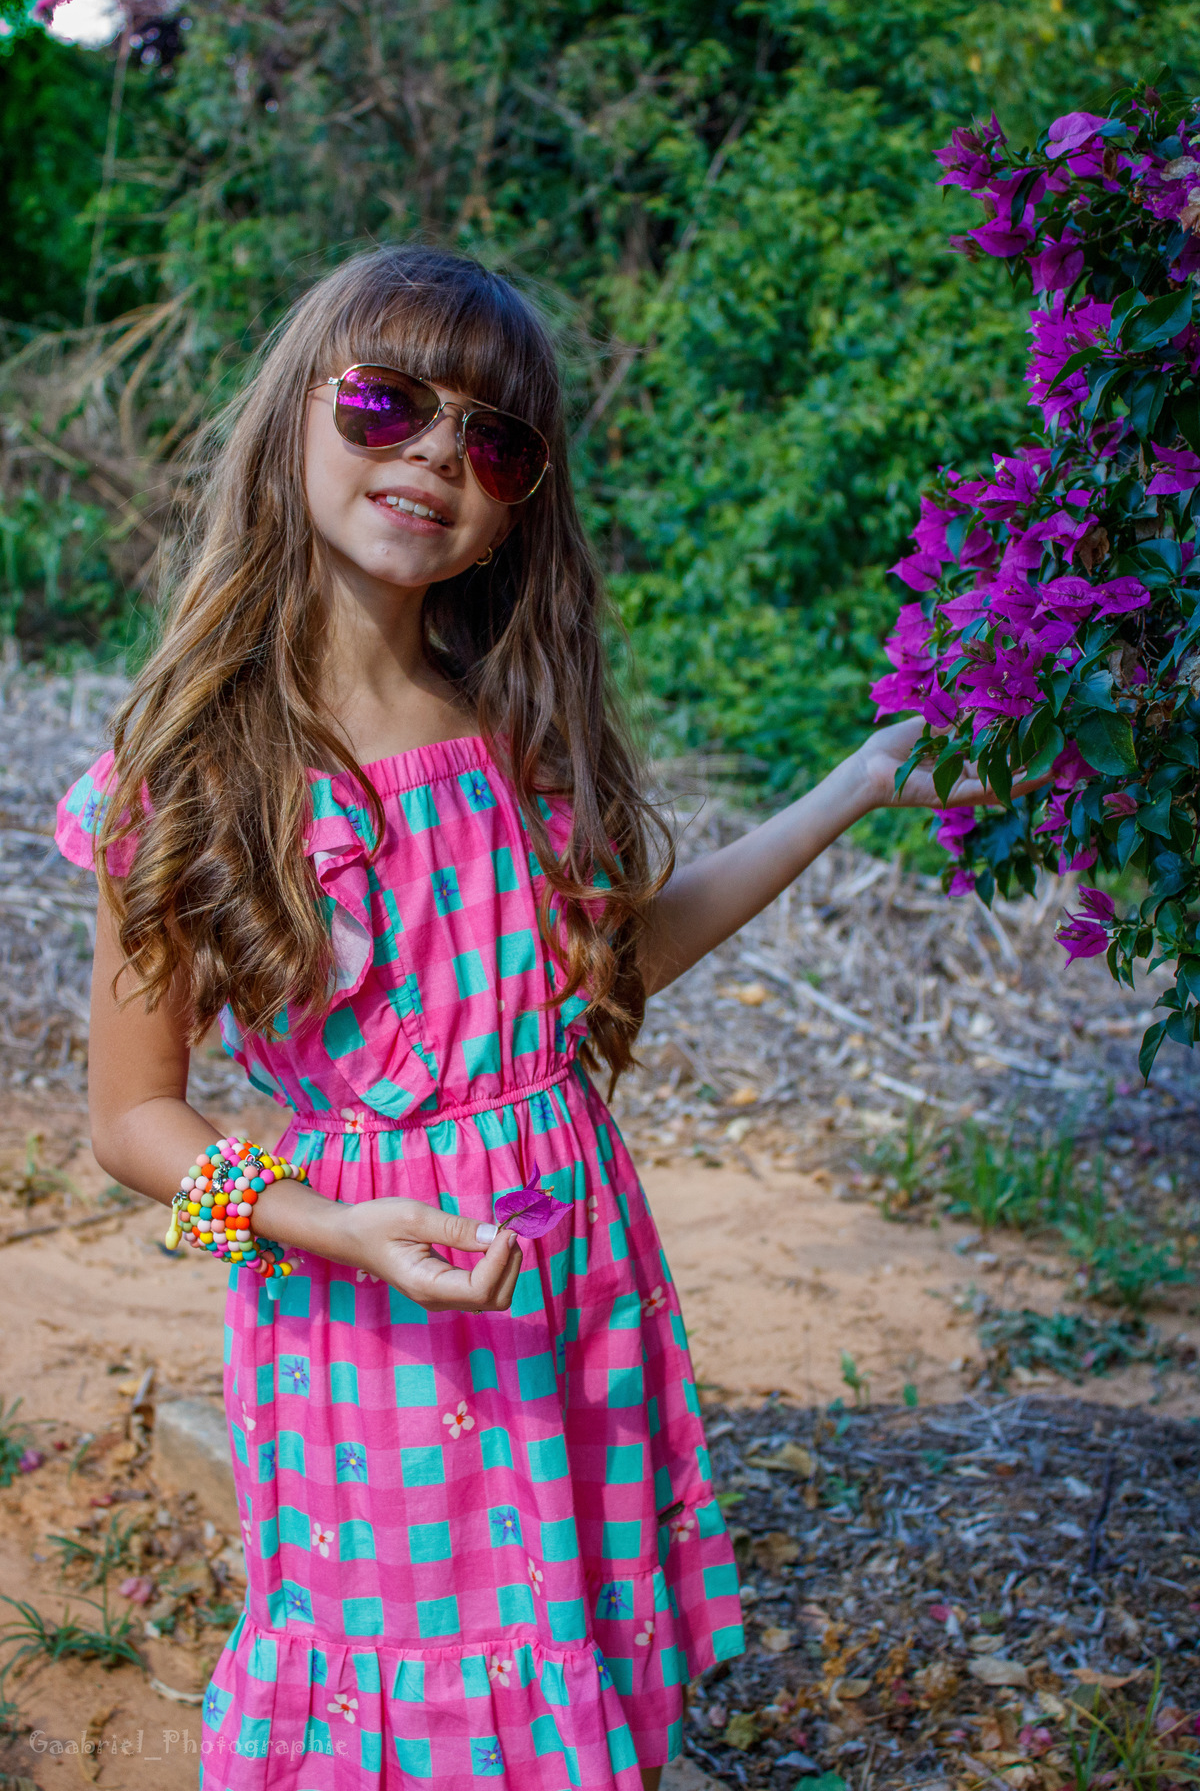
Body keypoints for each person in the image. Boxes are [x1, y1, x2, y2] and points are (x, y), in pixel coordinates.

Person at [57, 246, 1001, 1791]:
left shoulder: (513, 724)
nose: (438, 451)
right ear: (293, 418)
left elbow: (608, 970)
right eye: (387, 403)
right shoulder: (195, 769)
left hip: (575, 1274)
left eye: (493, 438)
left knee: (566, 1658)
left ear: (519, 503)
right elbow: (127, 1125)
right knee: (414, 1691)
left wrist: (853, 787)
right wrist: (323, 1225)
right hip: (369, 1309)